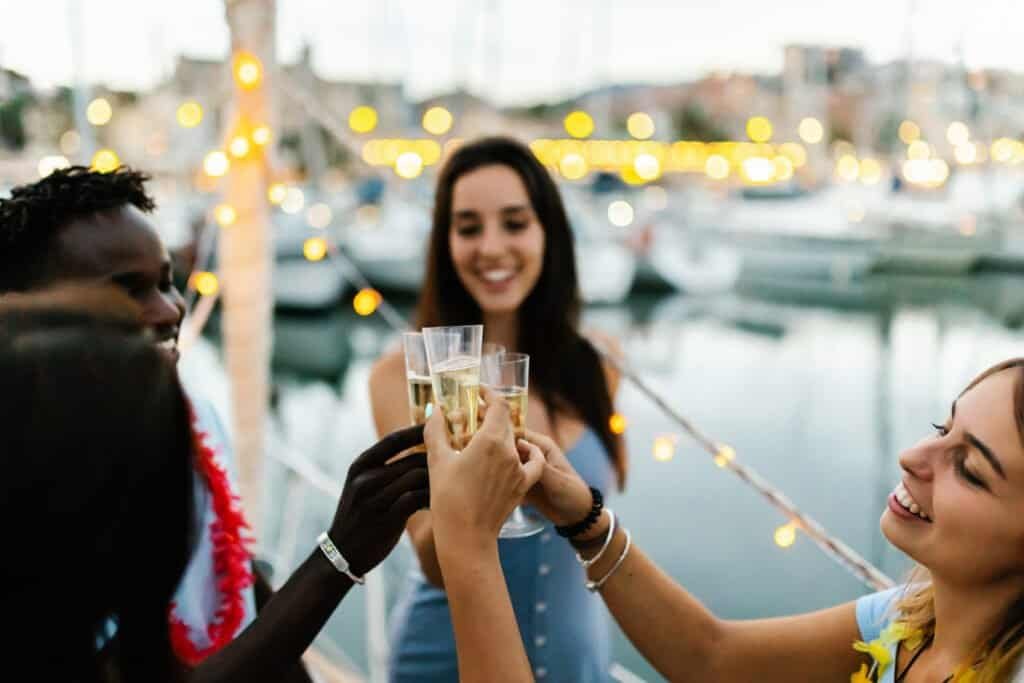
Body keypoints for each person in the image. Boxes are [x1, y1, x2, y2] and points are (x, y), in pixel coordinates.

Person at [0, 168, 429, 680]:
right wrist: (342, 553)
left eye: (165, 282)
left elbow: (237, 573)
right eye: (126, 290)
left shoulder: (192, 415)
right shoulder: (29, 477)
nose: (170, 309)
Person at [428, 357, 1024, 682]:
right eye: (941, 429)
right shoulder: (905, 623)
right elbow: (711, 658)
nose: (912, 459)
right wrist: (581, 515)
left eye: (968, 468)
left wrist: (466, 538)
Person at [368, 136, 627, 682]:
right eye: (467, 228)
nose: (491, 247)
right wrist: (468, 465)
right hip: (444, 665)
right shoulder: (403, 377)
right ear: (445, 244)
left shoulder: (599, 362)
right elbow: (434, 564)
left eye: (514, 223)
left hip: (578, 665)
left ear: (548, 234)